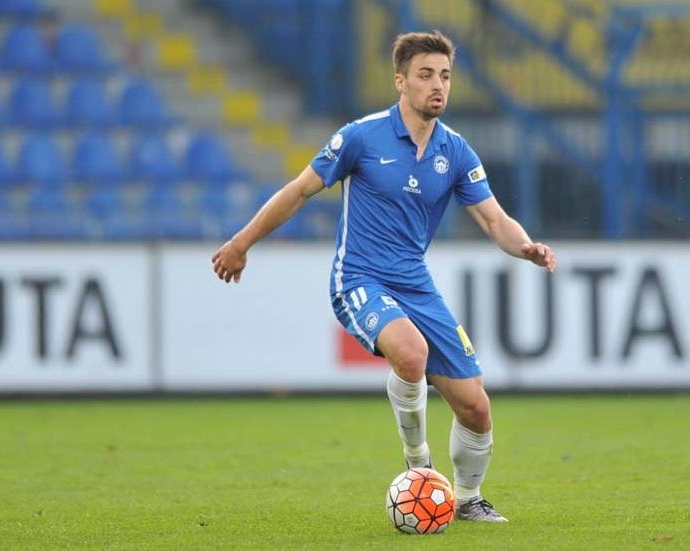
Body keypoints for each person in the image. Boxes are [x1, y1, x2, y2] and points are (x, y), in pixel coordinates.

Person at [212, 30, 556, 523]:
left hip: (416, 284)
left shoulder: (456, 151)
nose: (438, 85)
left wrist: (525, 247)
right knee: (411, 353)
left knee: (475, 406)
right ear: (400, 81)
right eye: (425, 75)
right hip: (359, 278)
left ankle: (467, 500)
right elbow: (299, 190)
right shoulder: (361, 137)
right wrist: (241, 243)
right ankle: (420, 465)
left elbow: (495, 220)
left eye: (445, 76)